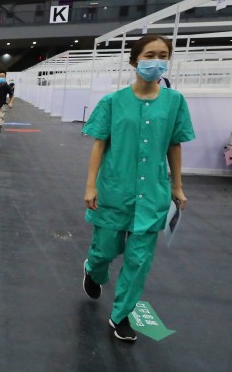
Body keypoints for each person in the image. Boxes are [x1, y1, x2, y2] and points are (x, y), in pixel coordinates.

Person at [81, 34, 195, 341]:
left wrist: (177, 186)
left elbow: (175, 144)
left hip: (153, 193)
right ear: (134, 61)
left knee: (139, 259)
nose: (156, 60)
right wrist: (91, 186)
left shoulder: (175, 102)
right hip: (115, 188)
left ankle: (121, 316)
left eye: (162, 54)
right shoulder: (113, 102)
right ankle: (93, 269)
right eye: (149, 55)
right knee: (107, 248)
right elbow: (98, 144)